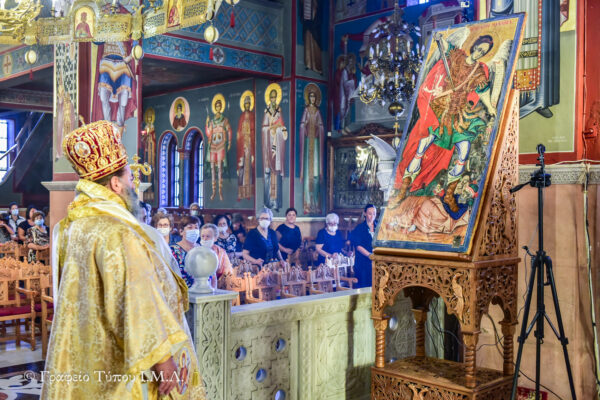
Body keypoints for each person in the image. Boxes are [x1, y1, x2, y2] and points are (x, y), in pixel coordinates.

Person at [43, 120, 205, 399]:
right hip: (123, 361)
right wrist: (163, 359)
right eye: (130, 177)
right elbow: (137, 298)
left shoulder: (72, 226)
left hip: (86, 350)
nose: (133, 184)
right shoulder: (119, 232)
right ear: (115, 183)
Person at [395, 34, 496, 213]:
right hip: (441, 109)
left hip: (460, 114)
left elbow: (483, 91)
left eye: (484, 52)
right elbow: (445, 46)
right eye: (480, 48)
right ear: (475, 46)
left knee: (464, 151)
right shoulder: (458, 56)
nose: (481, 52)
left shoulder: (479, 71)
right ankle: (403, 189)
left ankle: (449, 194)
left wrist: (490, 108)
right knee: (422, 148)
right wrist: (439, 38)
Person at [299, 85, 325, 214]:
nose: (313, 99)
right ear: (308, 98)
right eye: (311, 96)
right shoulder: (306, 110)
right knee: (308, 174)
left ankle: (316, 204)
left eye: (314, 97)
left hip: (315, 143)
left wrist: (318, 129)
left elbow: (321, 125)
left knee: (315, 174)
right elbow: (302, 124)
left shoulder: (318, 111)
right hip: (308, 142)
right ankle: (307, 204)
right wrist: (305, 127)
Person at [205, 97, 232, 201]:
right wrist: (207, 124)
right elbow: (209, 134)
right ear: (215, 108)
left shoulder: (224, 120)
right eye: (216, 106)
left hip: (221, 145)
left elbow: (229, 130)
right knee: (213, 169)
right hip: (213, 146)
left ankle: (220, 192)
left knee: (220, 168)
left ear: (221, 107)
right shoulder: (212, 121)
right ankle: (213, 192)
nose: (218, 107)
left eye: (219, 106)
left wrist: (229, 142)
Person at [170, 215, 201, 288]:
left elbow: (211, 275)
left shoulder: (202, 249)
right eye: (190, 227)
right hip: (181, 290)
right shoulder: (173, 250)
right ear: (181, 231)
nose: (194, 230)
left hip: (202, 290)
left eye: (196, 227)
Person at [350, 204, 376, 288]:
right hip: (363, 262)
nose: (372, 216)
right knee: (364, 286)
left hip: (376, 262)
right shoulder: (359, 228)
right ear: (364, 213)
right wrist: (370, 255)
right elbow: (358, 246)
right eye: (370, 213)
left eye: (374, 213)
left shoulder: (379, 227)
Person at [199, 224, 233, 288]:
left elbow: (228, 272)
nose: (205, 239)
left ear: (215, 238)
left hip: (219, 285)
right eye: (202, 236)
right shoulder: (196, 252)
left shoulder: (221, 252)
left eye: (208, 236)